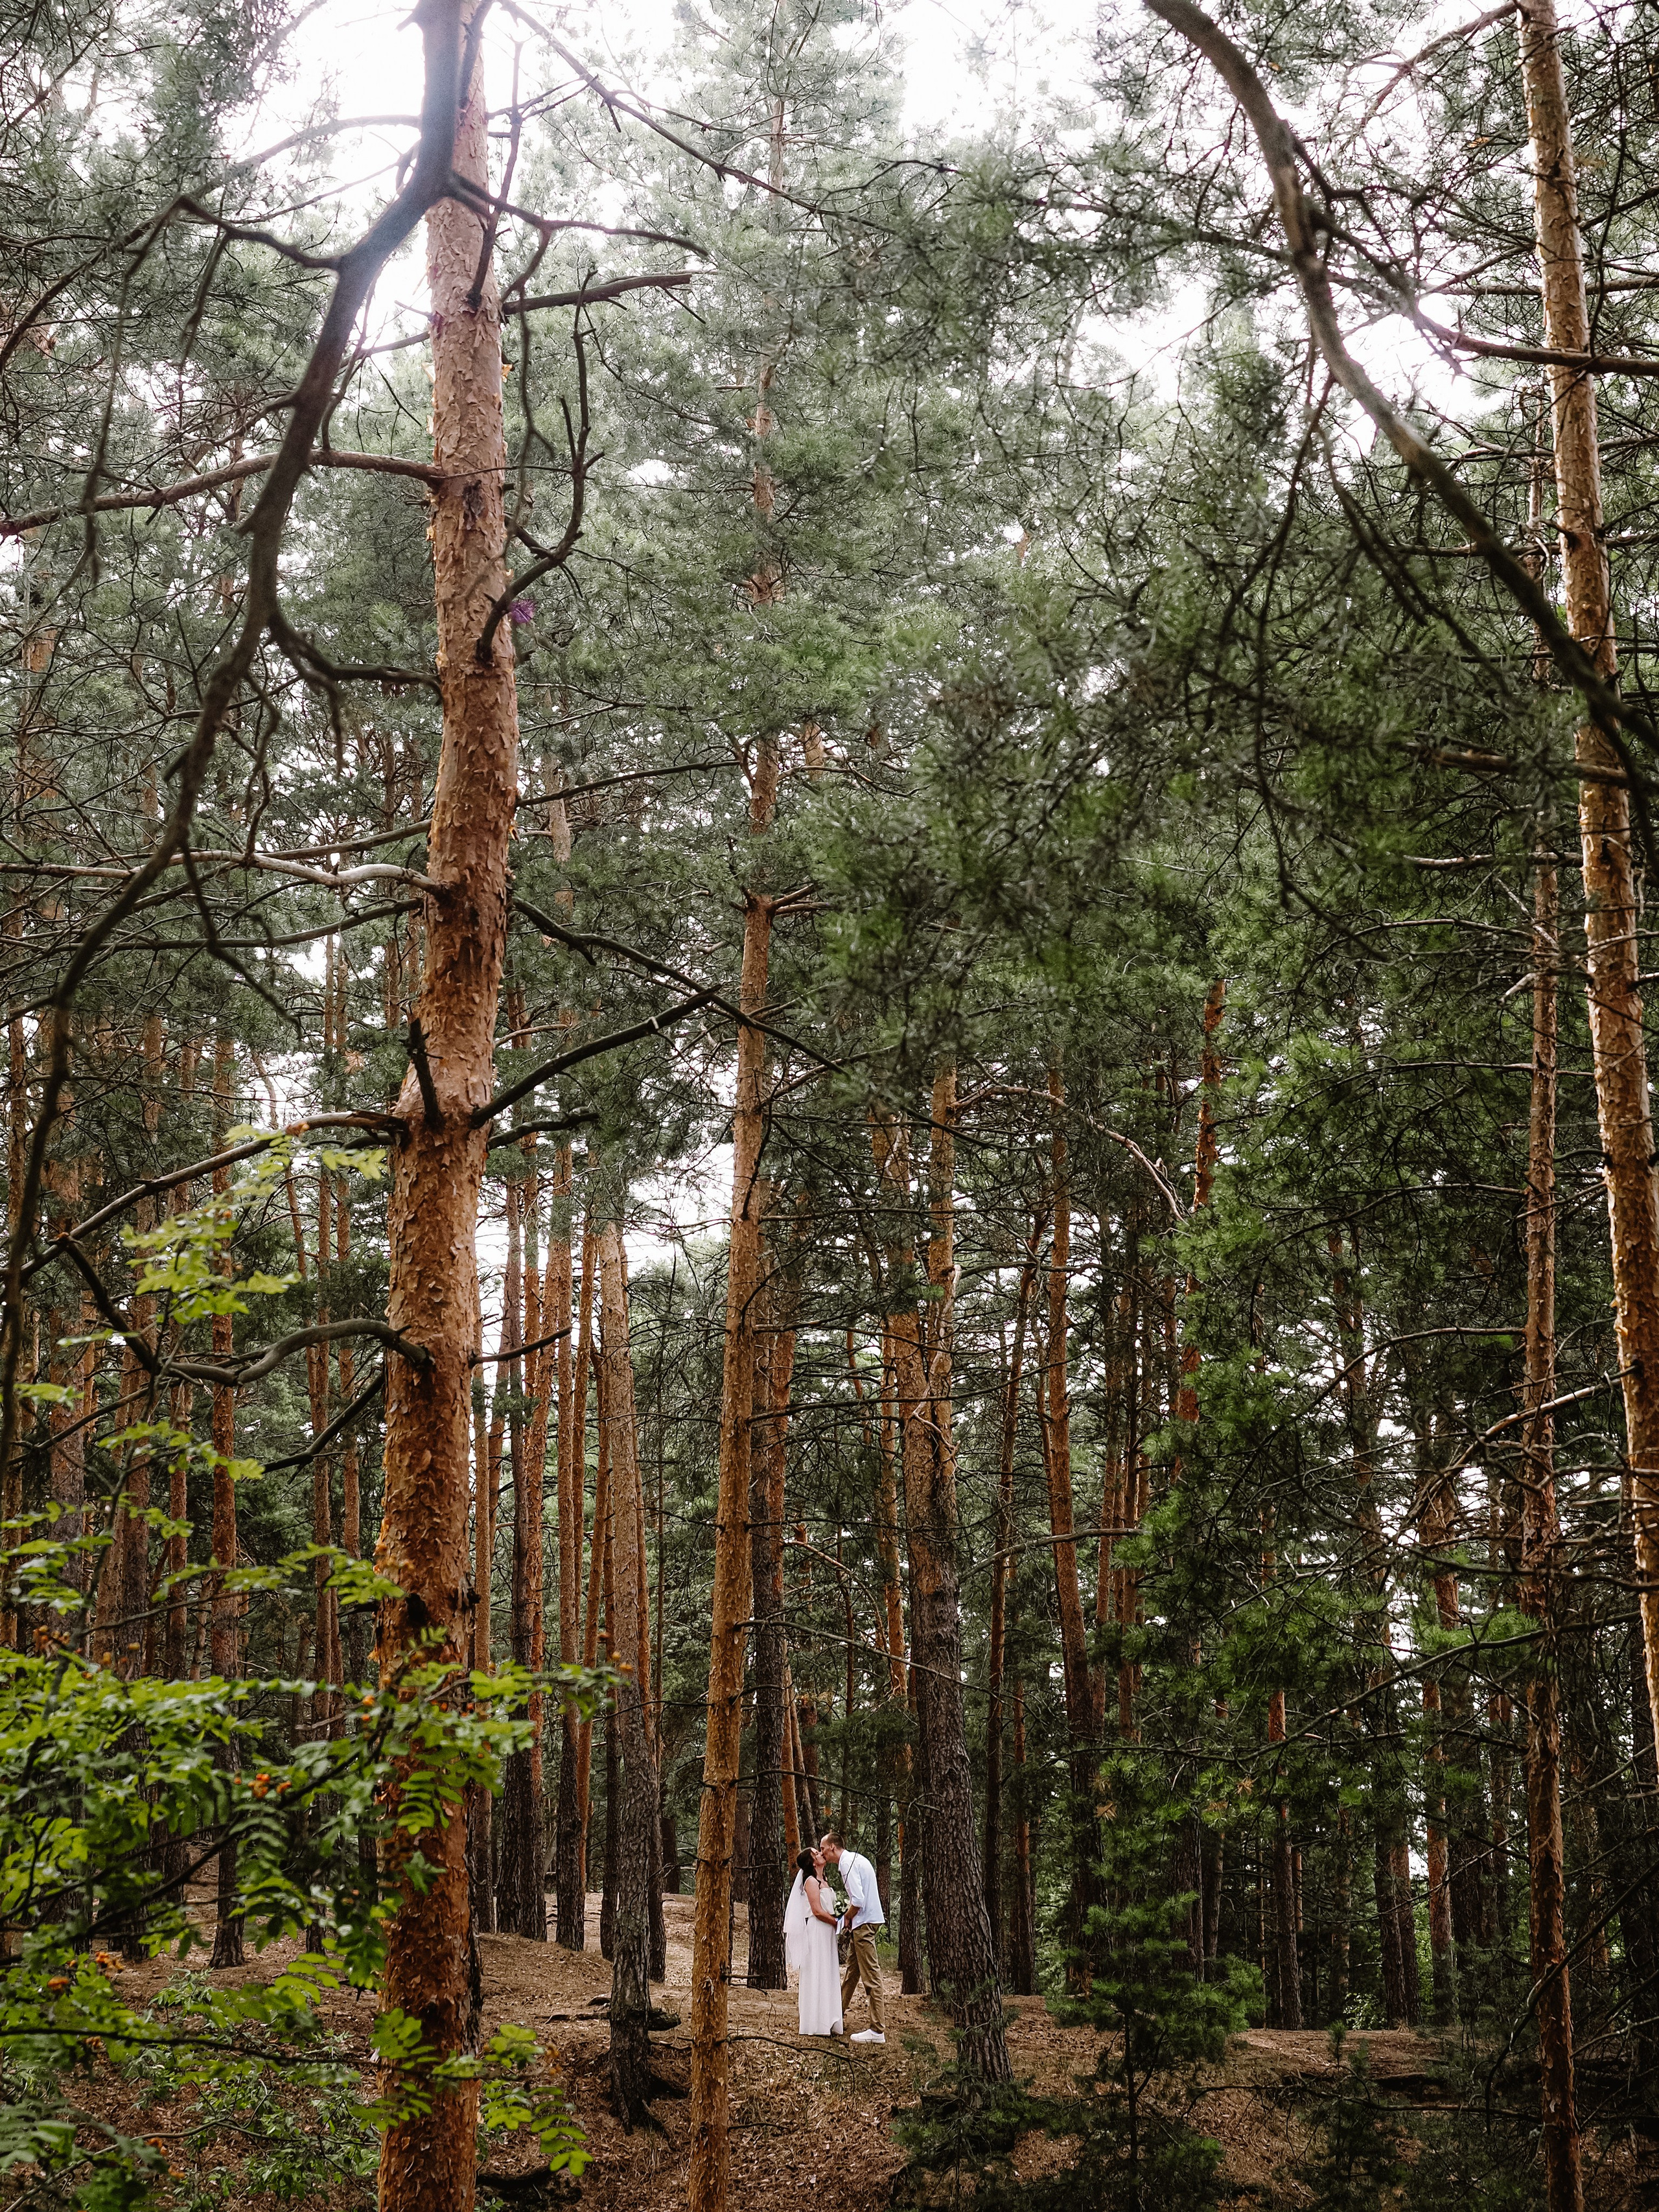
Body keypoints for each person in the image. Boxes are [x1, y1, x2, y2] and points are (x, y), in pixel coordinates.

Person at [820, 1830, 886, 2044]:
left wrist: (845, 1919)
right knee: (852, 1972)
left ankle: (877, 2031)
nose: (822, 1853)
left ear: (832, 1847)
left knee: (871, 1976)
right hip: (866, 1921)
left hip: (864, 1923)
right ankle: (836, 2017)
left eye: (823, 1848)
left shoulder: (846, 1863)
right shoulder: (855, 1859)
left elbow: (858, 1900)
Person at [783, 1846, 844, 2038]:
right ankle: (815, 2022)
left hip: (828, 1933)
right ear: (813, 1862)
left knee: (828, 1972)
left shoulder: (824, 1880)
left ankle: (829, 2018)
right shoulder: (810, 1881)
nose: (820, 1853)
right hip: (818, 1931)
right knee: (817, 1972)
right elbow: (817, 1911)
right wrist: (837, 1922)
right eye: (816, 1853)